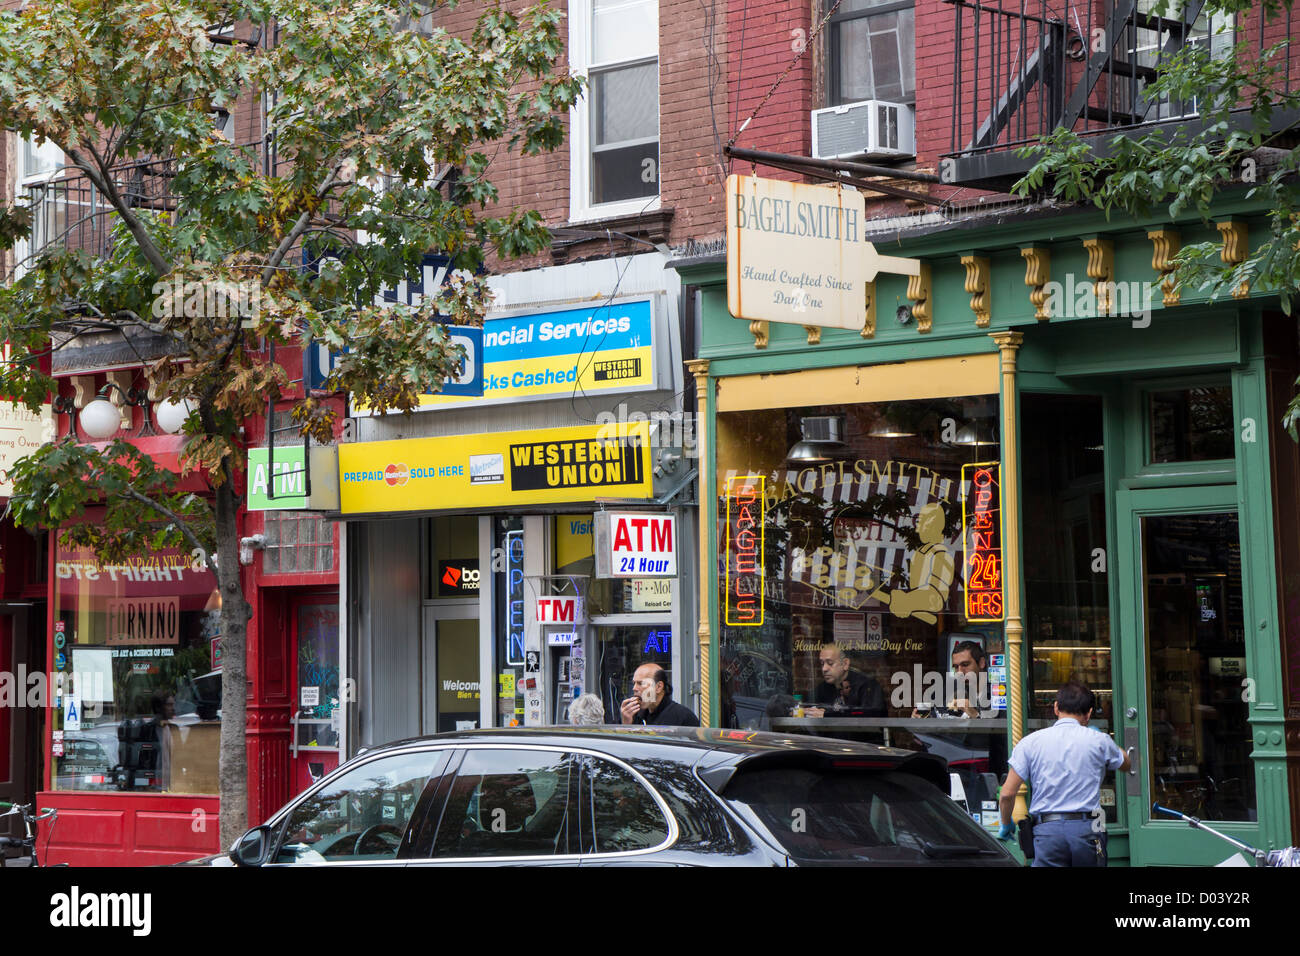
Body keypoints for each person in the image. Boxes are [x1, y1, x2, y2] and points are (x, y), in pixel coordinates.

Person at [997, 682, 1134, 867]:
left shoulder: (1030, 742)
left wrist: (1006, 824)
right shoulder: (1099, 740)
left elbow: (1006, 794)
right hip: (1089, 830)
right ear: (1089, 713)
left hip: (1048, 832)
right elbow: (1126, 764)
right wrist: (1107, 742)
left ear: (1056, 707)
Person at [806, 643, 885, 717]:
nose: (824, 669)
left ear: (845, 664)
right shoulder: (824, 687)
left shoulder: (867, 685)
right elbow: (806, 706)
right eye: (822, 663)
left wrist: (828, 715)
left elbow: (867, 714)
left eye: (830, 663)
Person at [619, 662, 699, 726]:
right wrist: (626, 724)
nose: (634, 688)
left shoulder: (682, 717)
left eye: (641, 683)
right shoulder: (635, 714)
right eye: (634, 683)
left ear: (658, 687)